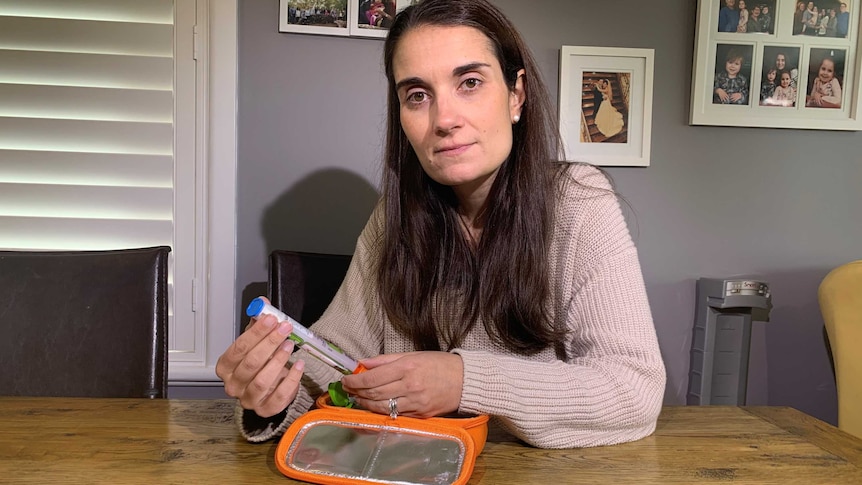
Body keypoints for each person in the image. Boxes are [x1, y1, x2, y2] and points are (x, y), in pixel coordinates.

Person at [216, 0, 666, 449]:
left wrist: (463, 379)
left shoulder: (580, 201)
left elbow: (633, 391)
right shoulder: (392, 221)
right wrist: (273, 393)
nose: (445, 120)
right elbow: (334, 362)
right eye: (417, 95)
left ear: (516, 95)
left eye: (470, 82)